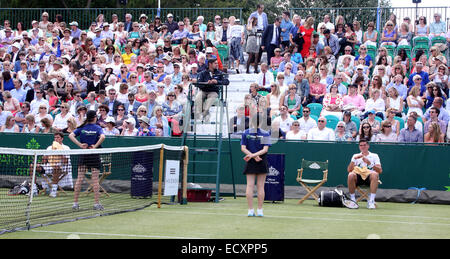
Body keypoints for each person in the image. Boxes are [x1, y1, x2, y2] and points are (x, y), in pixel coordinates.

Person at [69, 110, 106, 211]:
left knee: (79, 178)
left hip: (83, 154)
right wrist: (95, 147)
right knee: (95, 180)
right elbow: (103, 137)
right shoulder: (98, 128)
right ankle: (96, 203)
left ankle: (75, 203)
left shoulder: (82, 127)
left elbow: (70, 135)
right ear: (95, 118)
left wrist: (80, 145)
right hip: (93, 155)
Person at [241, 113, 271, 217]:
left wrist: (252, 155)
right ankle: (260, 210)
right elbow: (265, 149)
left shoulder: (246, 133)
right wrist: (255, 156)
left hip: (252, 160)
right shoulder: (265, 133)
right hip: (260, 160)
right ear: (261, 122)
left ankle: (250, 210)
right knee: (260, 186)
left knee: (249, 185)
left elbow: (243, 148)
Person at [30, 132, 73, 197]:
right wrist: (44, 158)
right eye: (55, 137)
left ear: (62, 139)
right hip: (49, 167)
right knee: (32, 166)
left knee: (56, 167)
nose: (56, 139)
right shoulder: (49, 147)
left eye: (58, 137)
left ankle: (54, 190)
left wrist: (59, 152)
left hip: (63, 168)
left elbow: (66, 162)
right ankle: (34, 189)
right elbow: (44, 161)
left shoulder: (66, 148)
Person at [347, 139, 382, 209]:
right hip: (358, 178)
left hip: (370, 179)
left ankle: (371, 201)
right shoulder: (355, 156)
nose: (363, 147)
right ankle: (353, 200)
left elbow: (380, 170)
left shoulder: (375, 156)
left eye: (364, 145)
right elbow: (349, 170)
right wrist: (354, 159)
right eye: (361, 145)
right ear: (359, 147)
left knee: (375, 174)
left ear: (368, 146)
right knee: (350, 175)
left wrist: (370, 163)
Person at [194, 58, 229, 122]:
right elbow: (198, 83)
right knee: (198, 97)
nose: (217, 65)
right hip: (204, 90)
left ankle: (204, 113)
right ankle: (202, 114)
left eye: (217, 63)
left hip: (214, 91)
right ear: (210, 64)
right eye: (215, 63)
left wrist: (217, 82)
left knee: (211, 98)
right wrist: (206, 83)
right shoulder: (203, 73)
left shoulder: (219, 73)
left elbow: (226, 82)